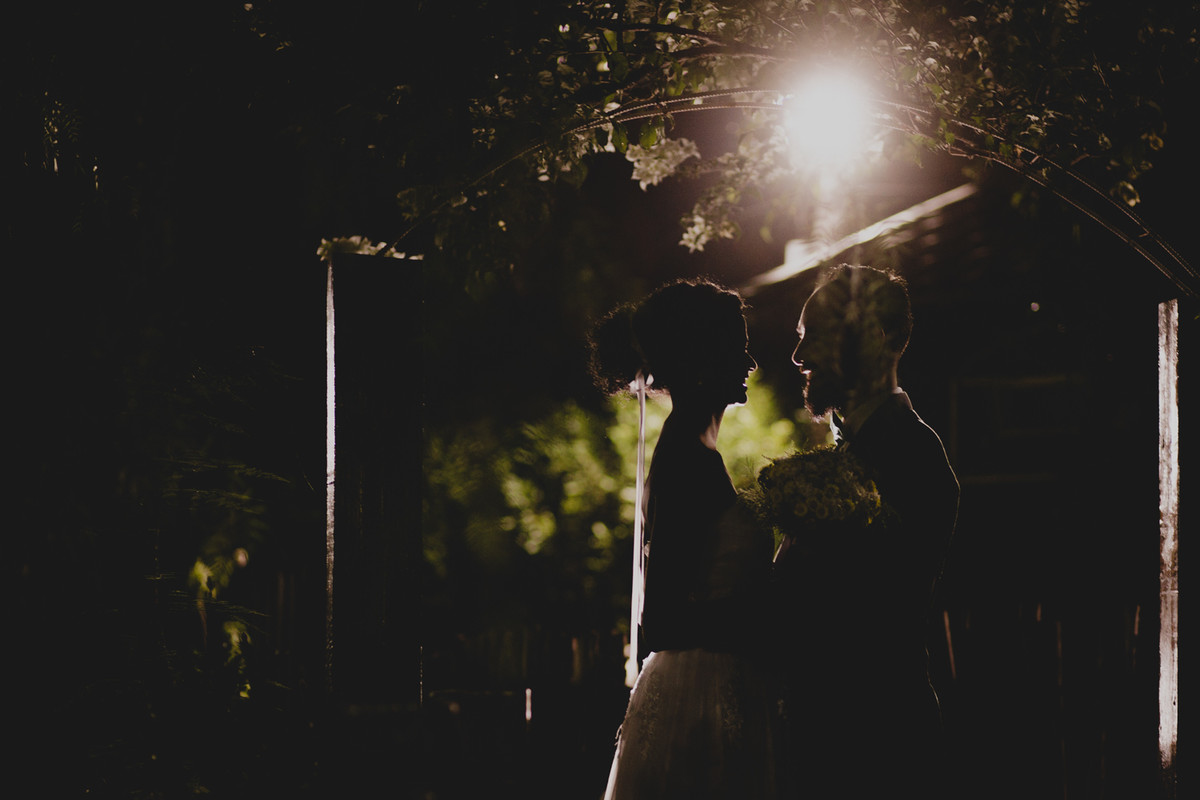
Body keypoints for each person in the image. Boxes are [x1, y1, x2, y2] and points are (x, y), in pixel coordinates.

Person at [772, 264, 960, 798]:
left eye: (814, 336)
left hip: (875, 741)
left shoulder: (911, 453)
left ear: (875, 338)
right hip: (829, 734)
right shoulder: (853, 447)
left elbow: (866, 606)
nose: (798, 357)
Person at [590, 278, 781, 800]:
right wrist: (767, 615)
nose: (750, 362)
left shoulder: (695, 450)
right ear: (702, 357)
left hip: (718, 684)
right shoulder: (686, 461)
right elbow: (664, 620)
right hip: (701, 698)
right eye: (737, 346)